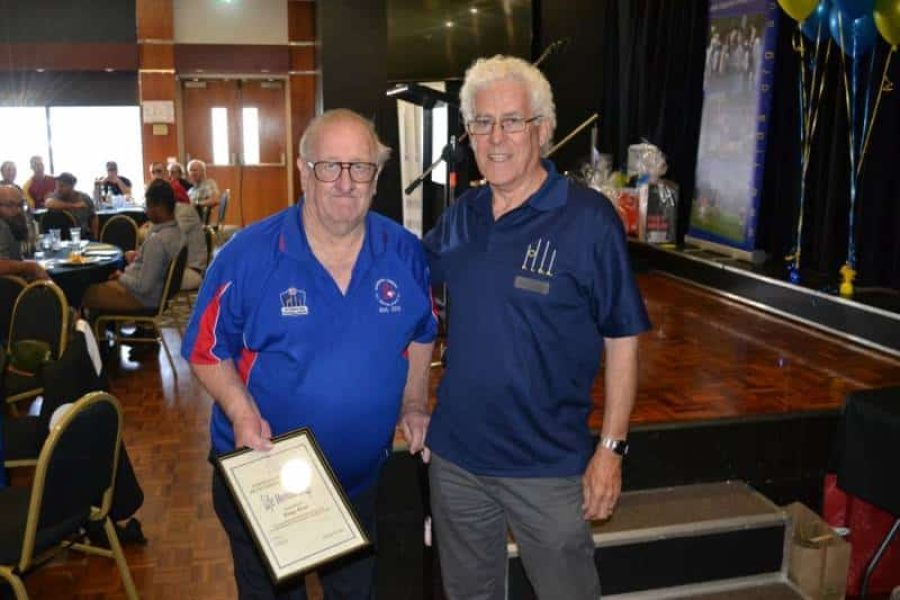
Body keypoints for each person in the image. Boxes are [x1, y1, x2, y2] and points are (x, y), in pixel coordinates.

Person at [181, 108, 437, 600]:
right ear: (302, 170)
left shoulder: (404, 252)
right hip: (267, 481)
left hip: (359, 484)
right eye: (329, 166)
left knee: (355, 593)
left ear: (377, 176)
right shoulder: (248, 256)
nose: (345, 181)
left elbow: (422, 331)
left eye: (359, 167)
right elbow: (204, 350)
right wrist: (241, 410)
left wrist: (413, 403)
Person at [422, 55, 651, 600]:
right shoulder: (461, 215)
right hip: (456, 463)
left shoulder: (589, 220)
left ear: (543, 130)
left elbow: (623, 339)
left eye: (512, 121)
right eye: (481, 122)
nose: (495, 137)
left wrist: (611, 450)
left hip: (547, 467)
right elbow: (406, 298)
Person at [82, 179, 184, 313]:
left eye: (147, 206)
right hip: (156, 294)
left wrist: (120, 276)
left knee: (82, 292)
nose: (146, 211)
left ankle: (93, 330)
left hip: (141, 298)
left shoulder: (157, 241)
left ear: (158, 207)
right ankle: (105, 326)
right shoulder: (178, 233)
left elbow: (143, 287)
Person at [146, 161, 205, 290]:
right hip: (175, 265)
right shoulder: (170, 211)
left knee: (146, 280)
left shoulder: (185, 211)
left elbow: (168, 240)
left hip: (189, 269)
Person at [0, 185, 47, 280]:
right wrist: (29, 267)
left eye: (21, 205)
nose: (17, 210)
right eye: (10, 205)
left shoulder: (11, 223)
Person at [45, 172, 98, 240]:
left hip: (83, 236)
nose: (58, 189)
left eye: (62, 186)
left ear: (71, 186)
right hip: (60, 238)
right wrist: (74, 206)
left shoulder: (84, 198)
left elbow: (93, 216)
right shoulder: (56, 196)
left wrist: (95, 236)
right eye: (57, 186)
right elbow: (48, 203)